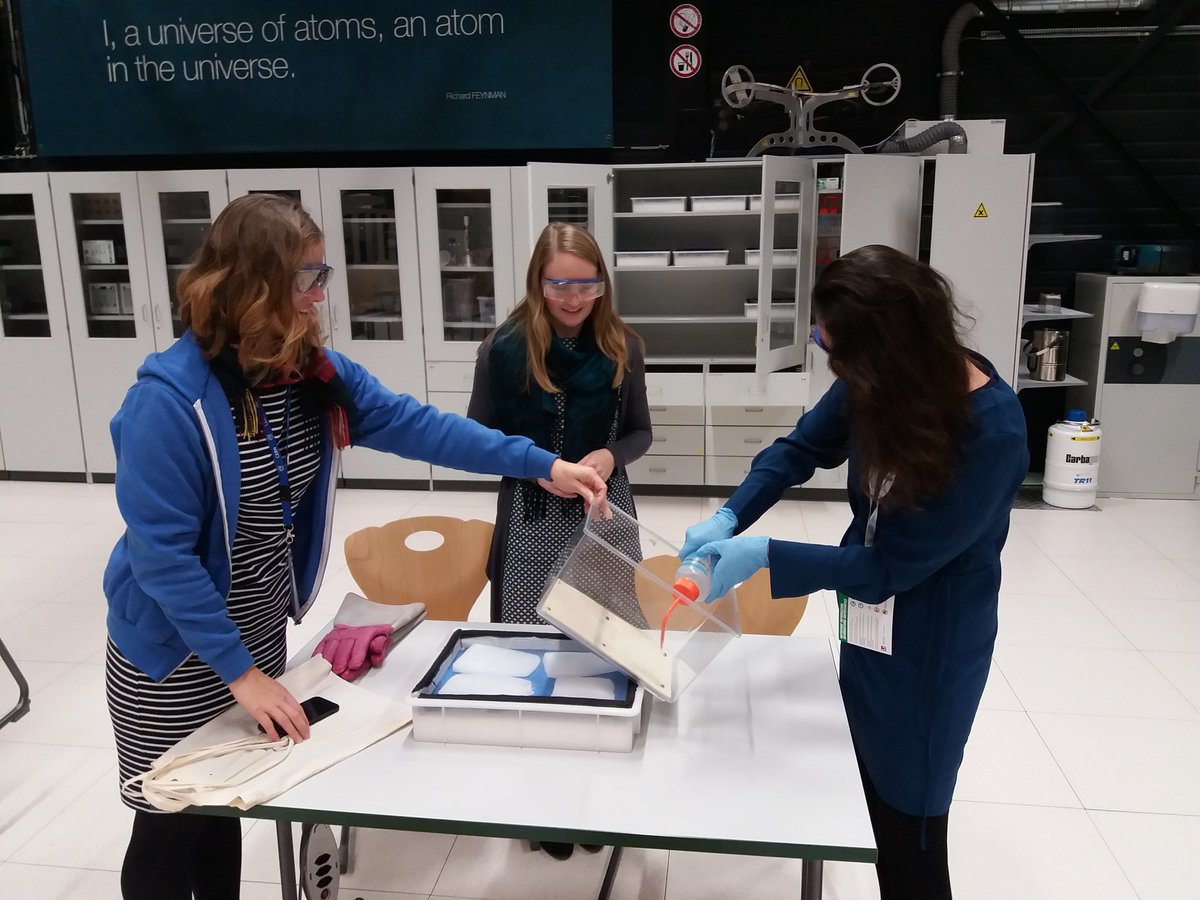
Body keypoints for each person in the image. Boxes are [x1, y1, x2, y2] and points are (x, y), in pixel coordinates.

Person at [103, 194, 607, 900]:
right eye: (306, 278)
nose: (318, 295)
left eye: (321, 275)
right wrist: (239, 674)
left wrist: (541, 464)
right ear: (253, 286)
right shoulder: (169, 402)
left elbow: (423, 426)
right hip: (168, 651)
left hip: (250, 634)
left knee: (221, 807)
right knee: (169, 816)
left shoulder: (310, 373)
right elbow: (163, 559)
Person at [680, 244, 1028, 899]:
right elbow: (800, 449)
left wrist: (768, 557)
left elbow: (891, 566)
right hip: (868, 624)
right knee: (866, 797)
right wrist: (731, 515)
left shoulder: (992, 433)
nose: (833, 364)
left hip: (931, 645)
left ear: (890, 347)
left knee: (912, 827)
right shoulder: (880, 377)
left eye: (835, 350)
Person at [467, 222, 651, 861]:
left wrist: (609, 453)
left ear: (602, 283)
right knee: (537, 658)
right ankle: (543, 803)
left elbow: (639, 435)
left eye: (586, 284)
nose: (574, 298)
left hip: (601, 514)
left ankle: (596, 794)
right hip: (530, 517)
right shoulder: (503, 348)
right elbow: (476, 436)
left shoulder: (624, 345)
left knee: (601, 656)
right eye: (560, 284)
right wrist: (535, 464)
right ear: (537, 283)